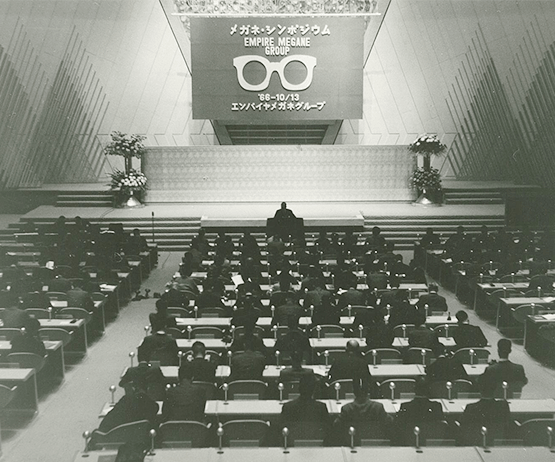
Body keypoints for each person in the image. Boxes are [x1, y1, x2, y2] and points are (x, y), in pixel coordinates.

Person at [333, 377, 392, 445]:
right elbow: (390, 422)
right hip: (375, 446)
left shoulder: (347, 409)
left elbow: (336, 426)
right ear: (368, 390)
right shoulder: (378, 408)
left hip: (352, 444)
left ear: (353, 391)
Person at [459, 380, 513, 445]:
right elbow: (508, 423)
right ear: (495, 389)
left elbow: (463, 426)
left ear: (480, 390)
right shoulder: (503, 406)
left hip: (474, 443)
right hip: (498, 442)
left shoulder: (471, 408)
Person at [394, 377, 445, 445]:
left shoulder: (405, 406)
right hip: (433, 445)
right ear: (429, 389)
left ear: (414, 389)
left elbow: (397, 426)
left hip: (408, 444)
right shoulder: (436, 407)